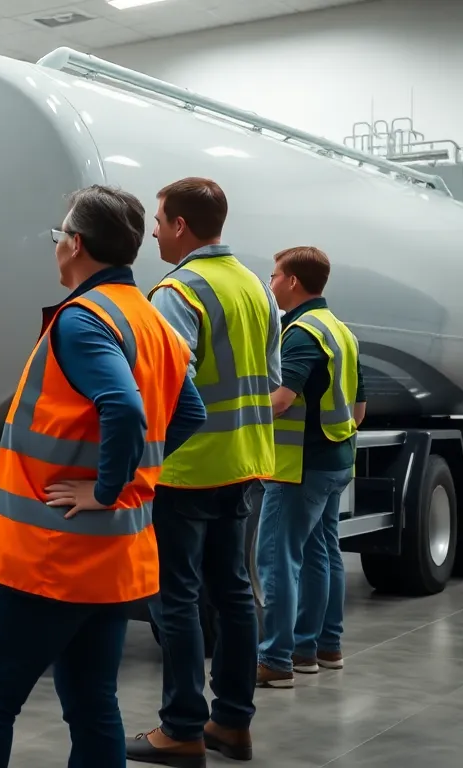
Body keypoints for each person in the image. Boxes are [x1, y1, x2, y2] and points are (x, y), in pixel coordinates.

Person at [0, 185, 206, 768]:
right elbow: (189, 414)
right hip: (113, 556)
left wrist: (105, 487)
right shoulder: (151, 321)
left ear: (76, 244)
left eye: (58, 234)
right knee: (92, 702)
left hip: (51, 556)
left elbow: (125, 407)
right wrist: (130, 480)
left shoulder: (82, 321)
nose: (56, 245)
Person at [127, 178, 282, 766]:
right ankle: (233, 726)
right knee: (236, 593)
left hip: (186, 470)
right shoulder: (254, 286)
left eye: (161, 222)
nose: (156, 233)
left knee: (178, 600)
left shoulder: (177, 291)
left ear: (182, 226)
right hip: (244, 463)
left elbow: (170, 385)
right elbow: (268, 379)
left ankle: (181, 728)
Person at [256, 246, 364, 688]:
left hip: (298, 467)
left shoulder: (301, 332)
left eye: (276, 275)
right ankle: (321, 647)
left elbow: (281, 401)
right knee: (322, 554)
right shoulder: (342, 332)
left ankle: (276, 661)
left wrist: (234, 414)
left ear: (294, 281)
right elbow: (358, 411)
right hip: (337, 460)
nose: (272, 282)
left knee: (278, 560)